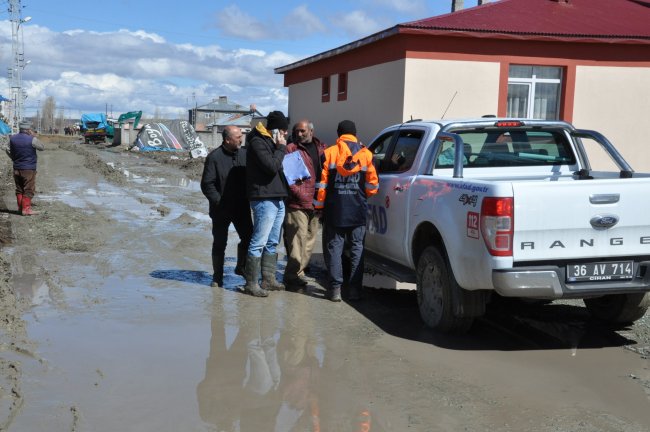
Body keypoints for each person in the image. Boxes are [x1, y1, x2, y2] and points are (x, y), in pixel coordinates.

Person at [314, 120, 378, 302]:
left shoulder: (329, 154)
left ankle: (335, 290)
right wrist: (360, 196)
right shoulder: (366, 154)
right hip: (358, 210)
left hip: (335, 210)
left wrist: (319, 207)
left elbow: (322, 185)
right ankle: (355, 290)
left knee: (335, 248)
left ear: (338, 134)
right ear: (355, 133)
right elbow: (373, 186)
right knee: (357, 248)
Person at [243, 111, 290, 297]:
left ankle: (268, 279)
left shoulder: (270, 141)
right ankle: (251, 283)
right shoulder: (257, 142)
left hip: (277, 197)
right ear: (276, 129)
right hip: (264, 198)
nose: (286, 135)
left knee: (272, 242)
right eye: (284, 130)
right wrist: (281, 148)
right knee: (258, 242)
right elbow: (271, 166)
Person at [200, 125, 252, 288]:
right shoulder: (214, 157)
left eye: (241, 136)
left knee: (249, 238)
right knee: (220, 243)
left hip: (241, 207)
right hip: (221, 209)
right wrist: (219, 202)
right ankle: (217, 277)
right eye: (238, 137)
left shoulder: (245, 154)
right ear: (227, 139)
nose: (241, 139)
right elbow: (207, 184)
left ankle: (241, 266)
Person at [283, 120, 325, 291]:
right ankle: (291, 275)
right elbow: (291, 179)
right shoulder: (291, 149)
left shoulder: (322, 148)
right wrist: (302, 198)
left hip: (317, 203)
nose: (299, 134)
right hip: (297, 203)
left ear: (311, 131)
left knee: (310, 240)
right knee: (296, 241)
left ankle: (299, 272)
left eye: (302, 131)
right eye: (296, 131)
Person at [8, 121, 44, 216]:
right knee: (29, 189)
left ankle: (20, 208)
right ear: (28, 130)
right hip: (28, 168)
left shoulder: (12, 139)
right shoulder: (32, 139)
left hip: (16, 167)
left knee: (19, 189)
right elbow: (42, 147)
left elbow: (11, 152)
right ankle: (26, 209)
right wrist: (34, 136)